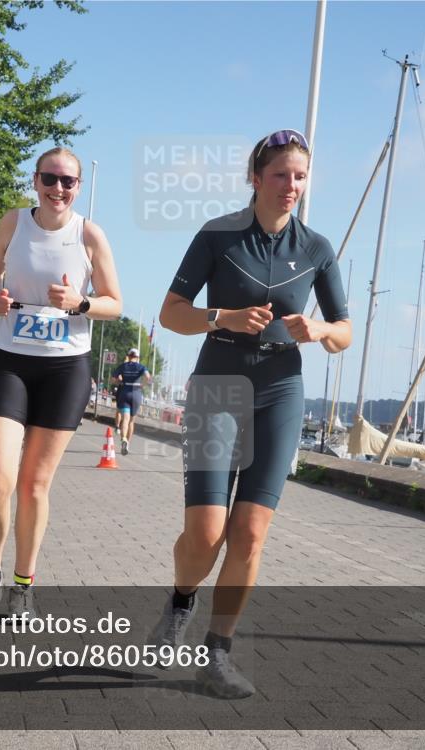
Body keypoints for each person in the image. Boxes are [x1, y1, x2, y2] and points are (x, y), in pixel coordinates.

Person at [149, 129, 352, 698]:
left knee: (250, 535)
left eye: (302, 176)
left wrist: (319, 330)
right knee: (207, 535)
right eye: (282, 174)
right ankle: (181, 601)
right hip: (218, 387)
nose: (293, 186)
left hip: (281, 391)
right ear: (257, 178)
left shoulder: (318, 248)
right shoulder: (218, 235)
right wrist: (224, 318)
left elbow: (346, 332)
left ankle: (217, 655)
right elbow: (170, 315)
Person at [0, 147, 122, 620]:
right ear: (36, 180)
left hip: (64, 369)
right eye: (50, 179)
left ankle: (22, 586)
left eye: (68, 182)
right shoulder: (14, 223)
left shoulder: (89, 234)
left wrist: (80, 303)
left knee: (32, 486)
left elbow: (114, 301)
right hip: (10, 363)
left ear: (78, 188)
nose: (58, 189)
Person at [111, 347, 152, 455]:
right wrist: (143, 384)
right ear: (137, 357)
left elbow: (113, 380)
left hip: (124, 392)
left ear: (128, 356)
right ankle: (127, 443)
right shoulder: (141, 367)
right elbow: (148, 378)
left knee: (125, 419)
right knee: (131, 421)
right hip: (136, 393)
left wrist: (119, 382)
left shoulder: (123, 366)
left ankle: (123, 438)